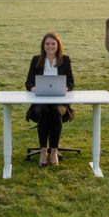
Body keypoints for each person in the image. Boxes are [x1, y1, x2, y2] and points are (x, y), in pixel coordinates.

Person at [25, 32, 74, 167]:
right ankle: (42, 152)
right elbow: (28, 82)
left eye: (53, 44)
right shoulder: (36, 60)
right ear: (43, 46)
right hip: (41, 101)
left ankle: (53, 151)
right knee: (45, 111)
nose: (50, 46)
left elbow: (71, 82)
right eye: (47, 44)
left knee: (56, 111)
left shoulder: (65, 59)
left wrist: (66, 88)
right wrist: (33, 88)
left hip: (59, 101)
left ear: (58, 46)